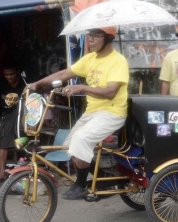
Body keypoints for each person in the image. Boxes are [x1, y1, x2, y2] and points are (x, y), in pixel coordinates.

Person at [29, 27, 129, 200]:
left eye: (95, 36)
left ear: (109, 38)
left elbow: (111, 92)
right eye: (89, 36)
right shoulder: (89, 59)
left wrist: (81, 87)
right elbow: (64, 73)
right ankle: (104, 179)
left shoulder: (118, 61)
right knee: (69, 146)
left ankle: (81, 185)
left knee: (81, 139)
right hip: (93, 112)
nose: (89, 40)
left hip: (112, 112)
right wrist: (37, 83)